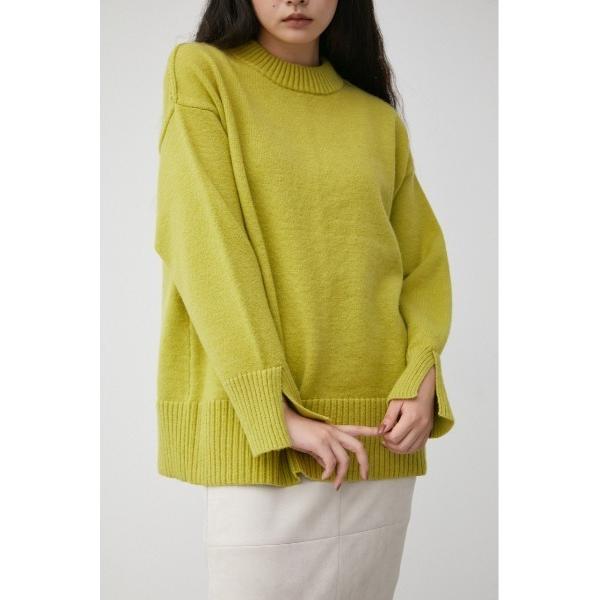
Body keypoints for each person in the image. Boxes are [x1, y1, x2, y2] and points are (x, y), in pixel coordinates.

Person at [154, 1, 455, 598]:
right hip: (267, 436)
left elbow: (422, 262)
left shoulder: (377, 120)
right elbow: (204, 245)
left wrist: (421, 373)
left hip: (378, 433)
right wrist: (274, 410)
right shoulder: (203, 73)